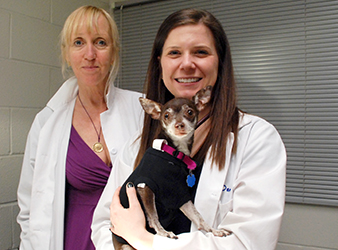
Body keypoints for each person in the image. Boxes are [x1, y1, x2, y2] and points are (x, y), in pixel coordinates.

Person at [91, 8, 286, 250]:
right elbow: (103, 224)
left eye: (200, 52)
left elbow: (248, 242)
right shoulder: (138, 146)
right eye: (174, 53)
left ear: (220, 63)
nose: (186, 64)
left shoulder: (256, 138)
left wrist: (145, 241)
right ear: (160, 65)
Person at [16, 6, 144, 250]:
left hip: (131, 241)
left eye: (100, 42)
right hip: (73, 240)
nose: (89, 54)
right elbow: (28, 208)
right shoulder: (47, 122)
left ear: (114, 52)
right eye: (78, 43)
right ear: (66, 54)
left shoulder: (141, 110)